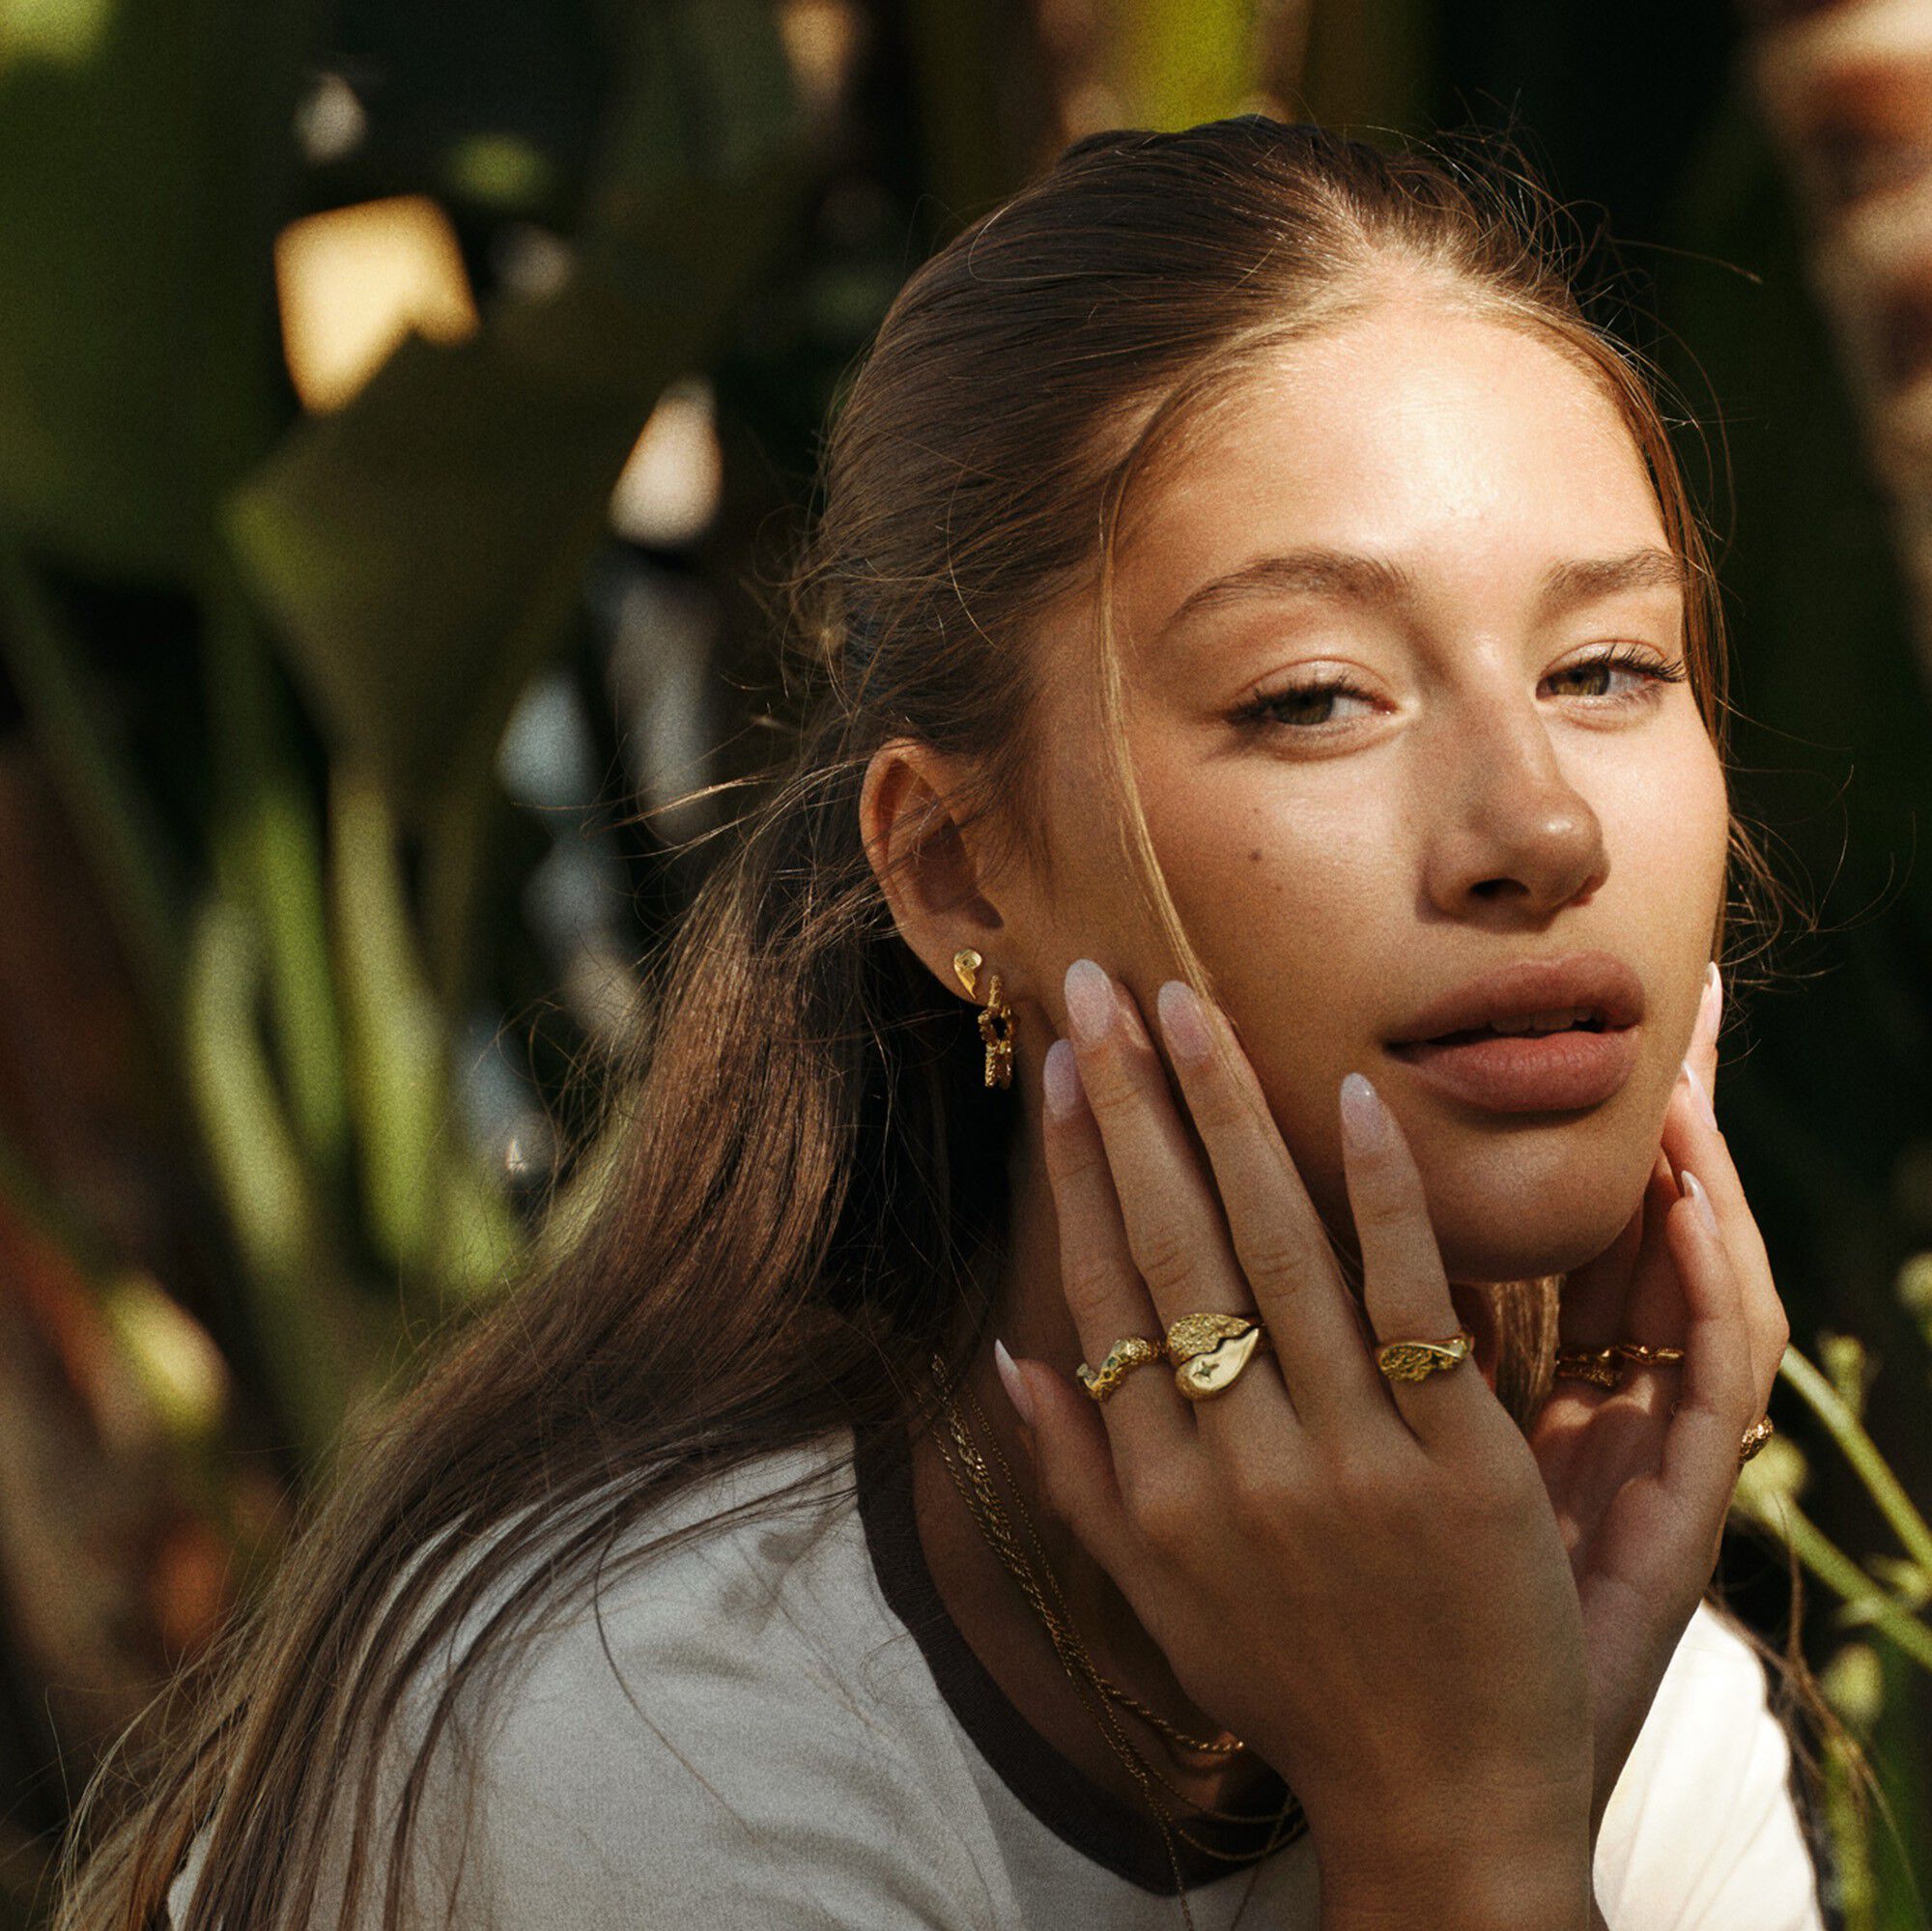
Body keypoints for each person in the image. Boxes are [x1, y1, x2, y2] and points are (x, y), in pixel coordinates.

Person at [58, 116, 1837, 1931]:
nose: (1541, 829)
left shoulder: (1644, 1724)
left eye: (1609, 669)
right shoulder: (644, 1749)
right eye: (1317, 697)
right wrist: (1460, 1844)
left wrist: (1507, 1800)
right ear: (958, 879)